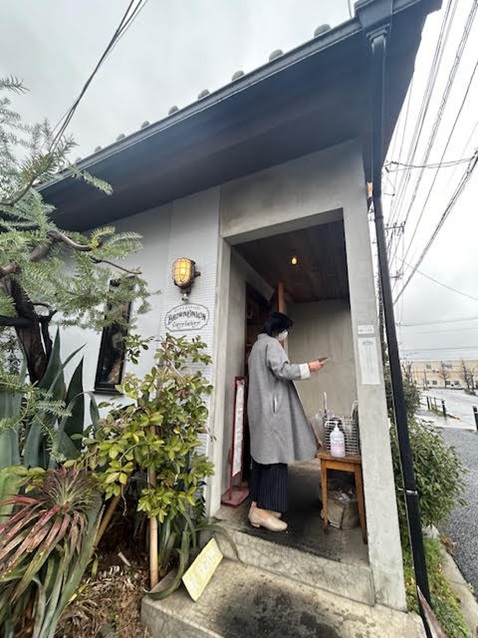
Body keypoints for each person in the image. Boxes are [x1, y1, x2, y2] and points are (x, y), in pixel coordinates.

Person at [247, 311, 326, 532]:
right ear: (278, 329)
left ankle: (257, 507)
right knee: (275, 458)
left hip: (260, 409)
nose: (285, 334)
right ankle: (262, 512)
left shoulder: (256, 347)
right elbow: (282, 370)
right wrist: (309, 367)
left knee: (262, 458)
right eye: (285, 330)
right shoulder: (271, 344)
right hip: (272, 412)